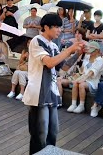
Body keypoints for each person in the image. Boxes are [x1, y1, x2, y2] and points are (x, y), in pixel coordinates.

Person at [22, 14, 84, 154]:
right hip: (38, 94)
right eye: (56, 27)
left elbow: (63, 67)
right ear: (45, 27)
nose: (59, 30)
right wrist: (69, 50)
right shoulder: (37, 41)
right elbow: (49, 63)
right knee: (40, 133)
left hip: (51, 93)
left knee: (53, 132)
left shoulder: (54, 45)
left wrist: (77, 54)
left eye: (59, 27)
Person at [67, 41, 103, 114]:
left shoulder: (100, 60)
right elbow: (82, 70)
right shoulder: (87, 57)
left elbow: (92, 72)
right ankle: (73, 104)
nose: (90, 53)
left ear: (97, 51)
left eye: (92, 51)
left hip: (93, 82)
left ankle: (81, 105)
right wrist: (78, 76)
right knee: (75, 83)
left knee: (81, 84)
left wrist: (82, 79)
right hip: (84, 78)